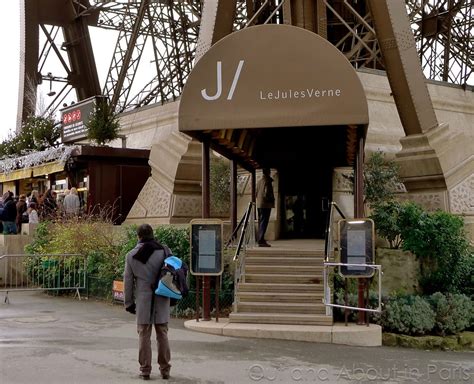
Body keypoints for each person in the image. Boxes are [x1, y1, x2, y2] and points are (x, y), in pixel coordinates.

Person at [124, 224, 172, 380]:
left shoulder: (131, 255)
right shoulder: (165, 251)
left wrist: (129, 303)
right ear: (152, 234)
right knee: (162, 333)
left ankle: (145, 370)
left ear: (138, 236)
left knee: (144, 334)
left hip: (144, 299)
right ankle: (165, 369)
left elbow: (128, 282)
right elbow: (173, 273)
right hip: (163, 296)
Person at [256, 168, 275, 247]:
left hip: (259, 204)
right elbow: (266, 193)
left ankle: (261, 239)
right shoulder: (267, 181)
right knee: (264, 222)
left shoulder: (259, 181)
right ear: (268, 172)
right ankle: (261, 240)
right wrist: (271, 199)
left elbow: (256, 193)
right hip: (266, 205)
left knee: (261, 222)